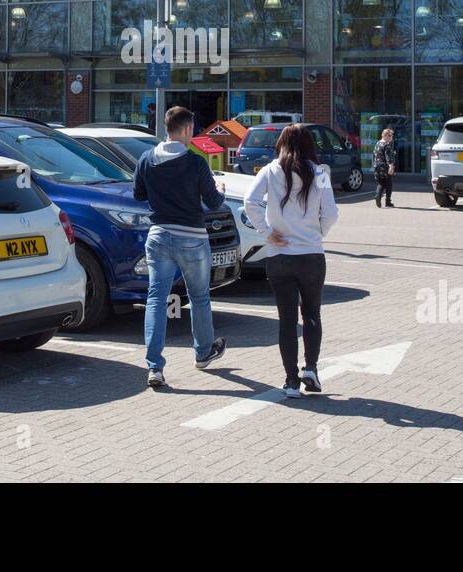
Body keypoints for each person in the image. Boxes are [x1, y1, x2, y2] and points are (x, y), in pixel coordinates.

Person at [132, 105, 228, 389]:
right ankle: (202, 353)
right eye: (192, 129)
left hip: (159, 236)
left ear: (166, 128)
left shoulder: (146, 159)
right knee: (199, 297)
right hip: (192, 239)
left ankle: (154, 367)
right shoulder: (196, 163)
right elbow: (213, 202)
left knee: (156, 299)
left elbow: (138, 194)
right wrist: (219, 190)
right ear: (186, 129)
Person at [244, 123, 339, 398]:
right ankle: (311, 368)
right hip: (311, 255)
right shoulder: (320, 172)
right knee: (311, 314)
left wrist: (267, 233)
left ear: (281, 144)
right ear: (310, 144)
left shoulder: (270, 169)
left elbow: (250, 201)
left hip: (279, 256)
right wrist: (317, 232)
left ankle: (290, 381)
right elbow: (331, 213)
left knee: (287, 320)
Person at [372, 128, 396, 208]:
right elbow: (388, 157)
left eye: (392, 136)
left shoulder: (378, 143)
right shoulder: (387, 145)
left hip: (376, 166)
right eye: (390, 135)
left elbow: (374, 155)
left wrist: (374, 166)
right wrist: (391, 166)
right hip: (384, 167)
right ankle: (387, 201)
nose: (391, 137)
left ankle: (378, 195)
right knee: (388, 184)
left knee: (381, 183)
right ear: (385, 136)